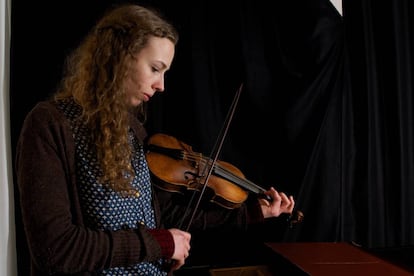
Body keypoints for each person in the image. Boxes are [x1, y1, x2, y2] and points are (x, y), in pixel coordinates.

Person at [15, 3, 295, 276]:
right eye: (155, 68)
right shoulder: (50, 124)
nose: (161, 85)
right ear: (119, 56)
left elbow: (163, 216)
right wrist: (160, 243)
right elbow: (55, 249)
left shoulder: (133, 131)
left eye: (165, 73)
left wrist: (250, 215)